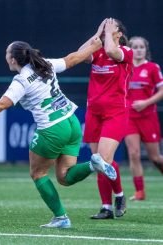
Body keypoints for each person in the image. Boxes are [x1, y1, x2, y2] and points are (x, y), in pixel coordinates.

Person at [0, 38, 117, 229]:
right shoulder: (46, 64)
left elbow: (2, 104)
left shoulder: (22, 79)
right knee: (64, 177)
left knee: (38, 173)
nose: (6, 57)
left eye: (7, 54)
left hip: (52, 128)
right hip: (72, 122)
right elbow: (74, 58)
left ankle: (61, 218)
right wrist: (99, 40)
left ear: (13, 60)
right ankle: (93, 163)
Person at [79, 18, 133, 219]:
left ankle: (119, 195)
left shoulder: (126, 52)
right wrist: (99, 30)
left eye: (112, 27)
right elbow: (80, 54)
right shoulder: (97, 52)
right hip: (94, 112)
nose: (107, 30)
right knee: (99, 162)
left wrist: (108, 34)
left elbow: (112, 51)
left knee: (101, 159)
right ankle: (106, 207)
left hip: (116, 112)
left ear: (119, 33)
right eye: (106, 28)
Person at [125, 36, 163, 201]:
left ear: (146, 49)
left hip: (148, 117)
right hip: (129, 118)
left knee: (155, 158)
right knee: (133, 154)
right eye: (135, 47)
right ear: (129, 49)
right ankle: (140, 191)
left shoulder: (153, 68)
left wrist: (146, 102)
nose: (138, 49)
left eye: (141, 47)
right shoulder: (125, 67)